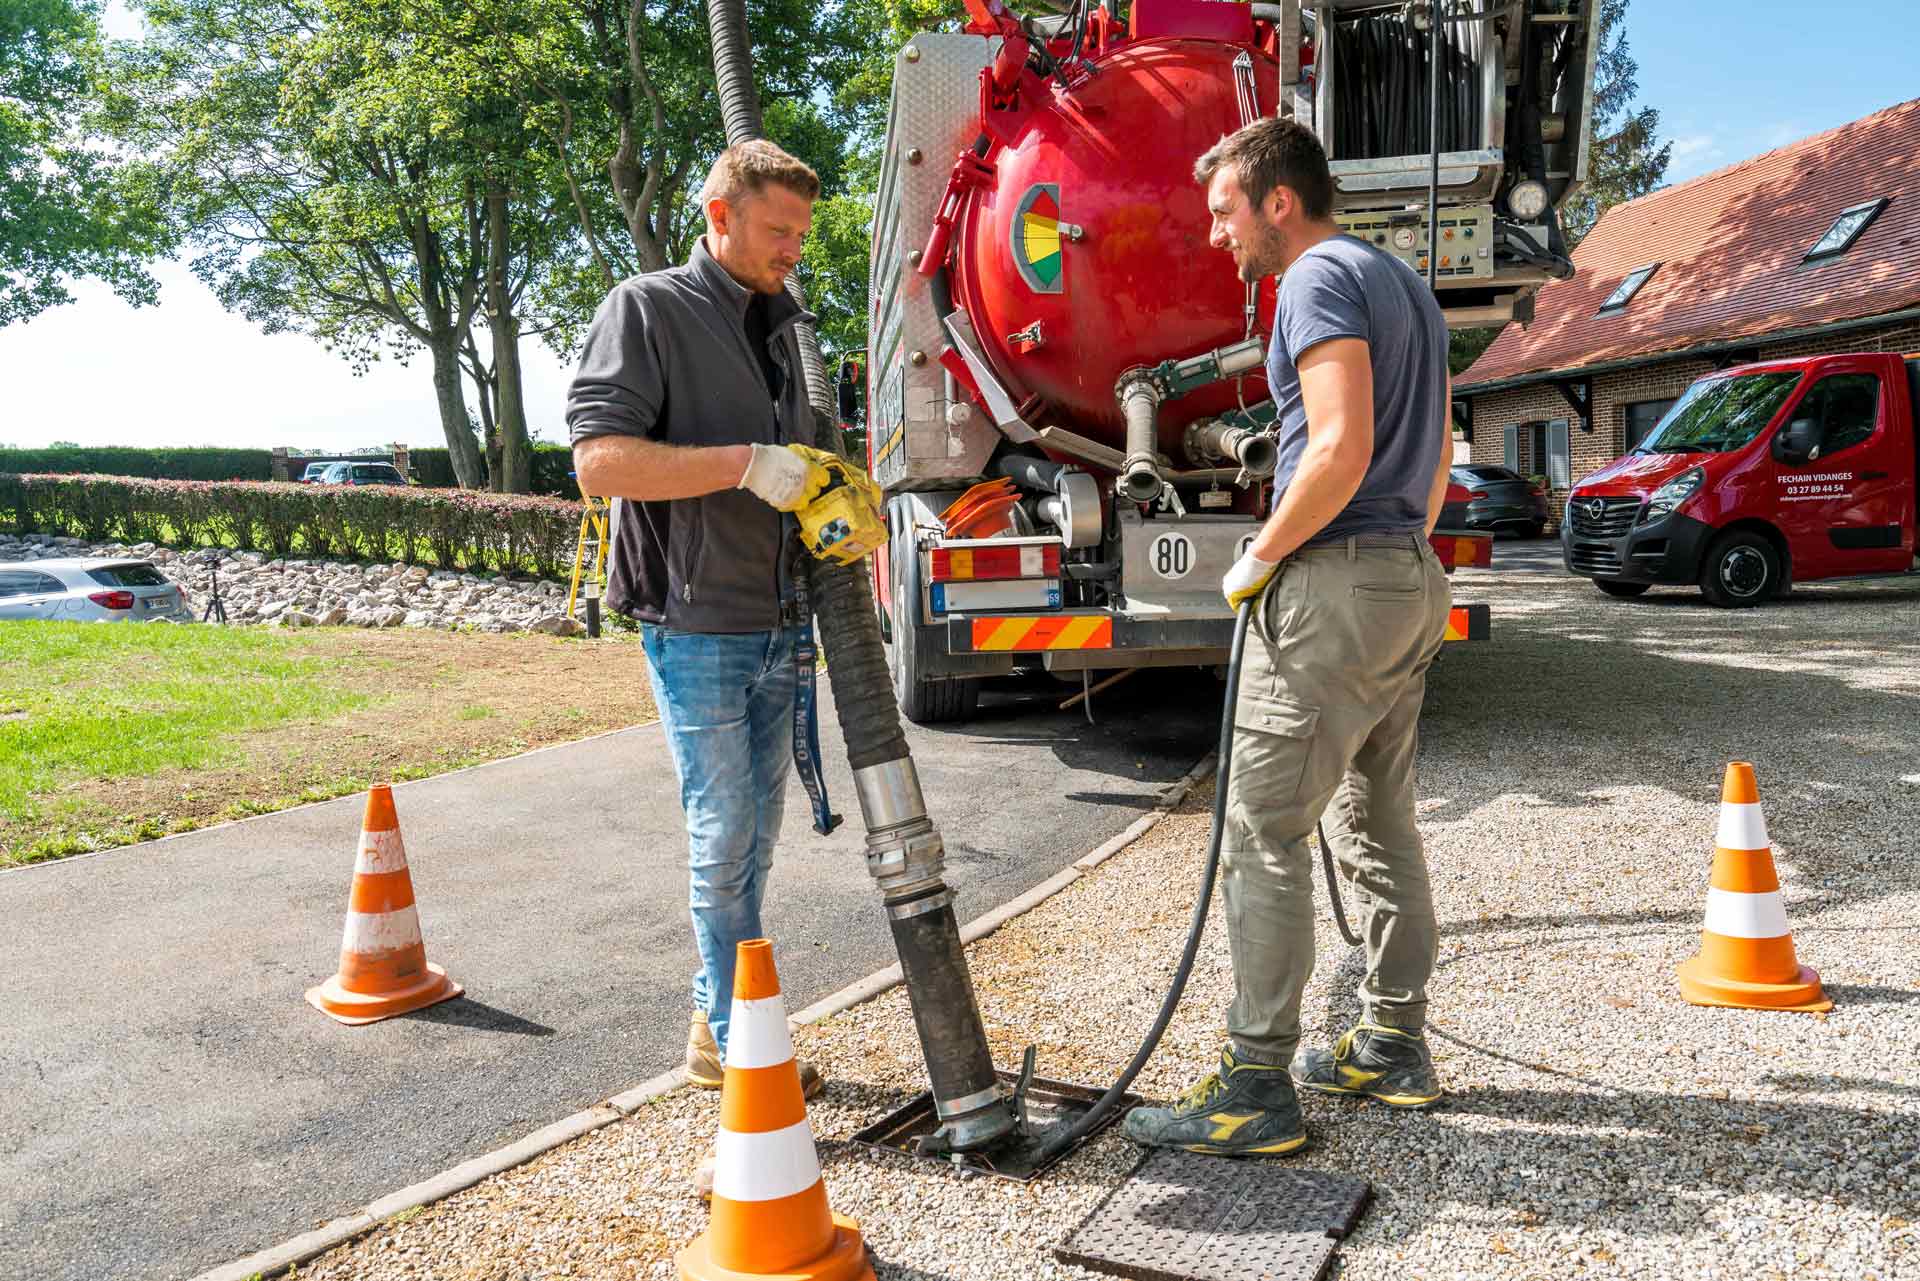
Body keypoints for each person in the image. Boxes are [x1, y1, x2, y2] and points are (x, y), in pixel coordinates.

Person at [1123, 118, 1455, 1156]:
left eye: (1225, 210)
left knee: (1263, 827)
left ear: (1277, 199)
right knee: (1377, 815)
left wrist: (1263, 554)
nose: (1218, 234)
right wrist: (1399, 555)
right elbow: (1434, 451)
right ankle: (1392, 1045)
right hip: (1406, 573)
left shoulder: (1313, 280)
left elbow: (1341, 444)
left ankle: (1257, 1086)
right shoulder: (1402, 284)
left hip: (1335, 581)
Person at [567, 139, 837, 1122]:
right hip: (698, 625)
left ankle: (711, 1024)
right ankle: (741, 1045)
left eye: (801, 234)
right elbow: (601, 462)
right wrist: (743, 466)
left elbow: (799, 456)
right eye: (778, 232)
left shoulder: (781, 323)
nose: (792, 251)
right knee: (723, 837)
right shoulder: (646, 311)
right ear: (718, 217)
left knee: (756, 839)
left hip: (778, 618)